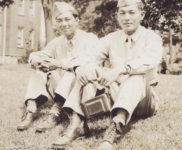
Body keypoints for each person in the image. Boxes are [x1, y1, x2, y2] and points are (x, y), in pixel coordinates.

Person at [52, 0, 163, 149]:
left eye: (131, 13)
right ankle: (78, 123)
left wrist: (120, 69)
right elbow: (89, 55)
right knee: (88, 67)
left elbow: (150, 61)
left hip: (144, 100)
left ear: (141, 15)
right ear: (117, 16)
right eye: (122, 13)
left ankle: (115, 127)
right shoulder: (111, 38)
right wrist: (79, 67)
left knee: (136, 75)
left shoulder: (152, 38)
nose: (126, 18)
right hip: (116, 95)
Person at [17, 2, 98, 132]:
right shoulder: (56, 42)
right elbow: (40, 55)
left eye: (67, 19)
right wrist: (36, 60)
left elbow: (86, 60)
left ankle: (56, 112)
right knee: (38, 68)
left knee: (74, 69)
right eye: (59, 20)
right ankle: (31, 110)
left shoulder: (90, 39)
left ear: (77, 20)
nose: (63, 24)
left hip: (85, 90)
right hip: (61, 88)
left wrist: (58, 64)